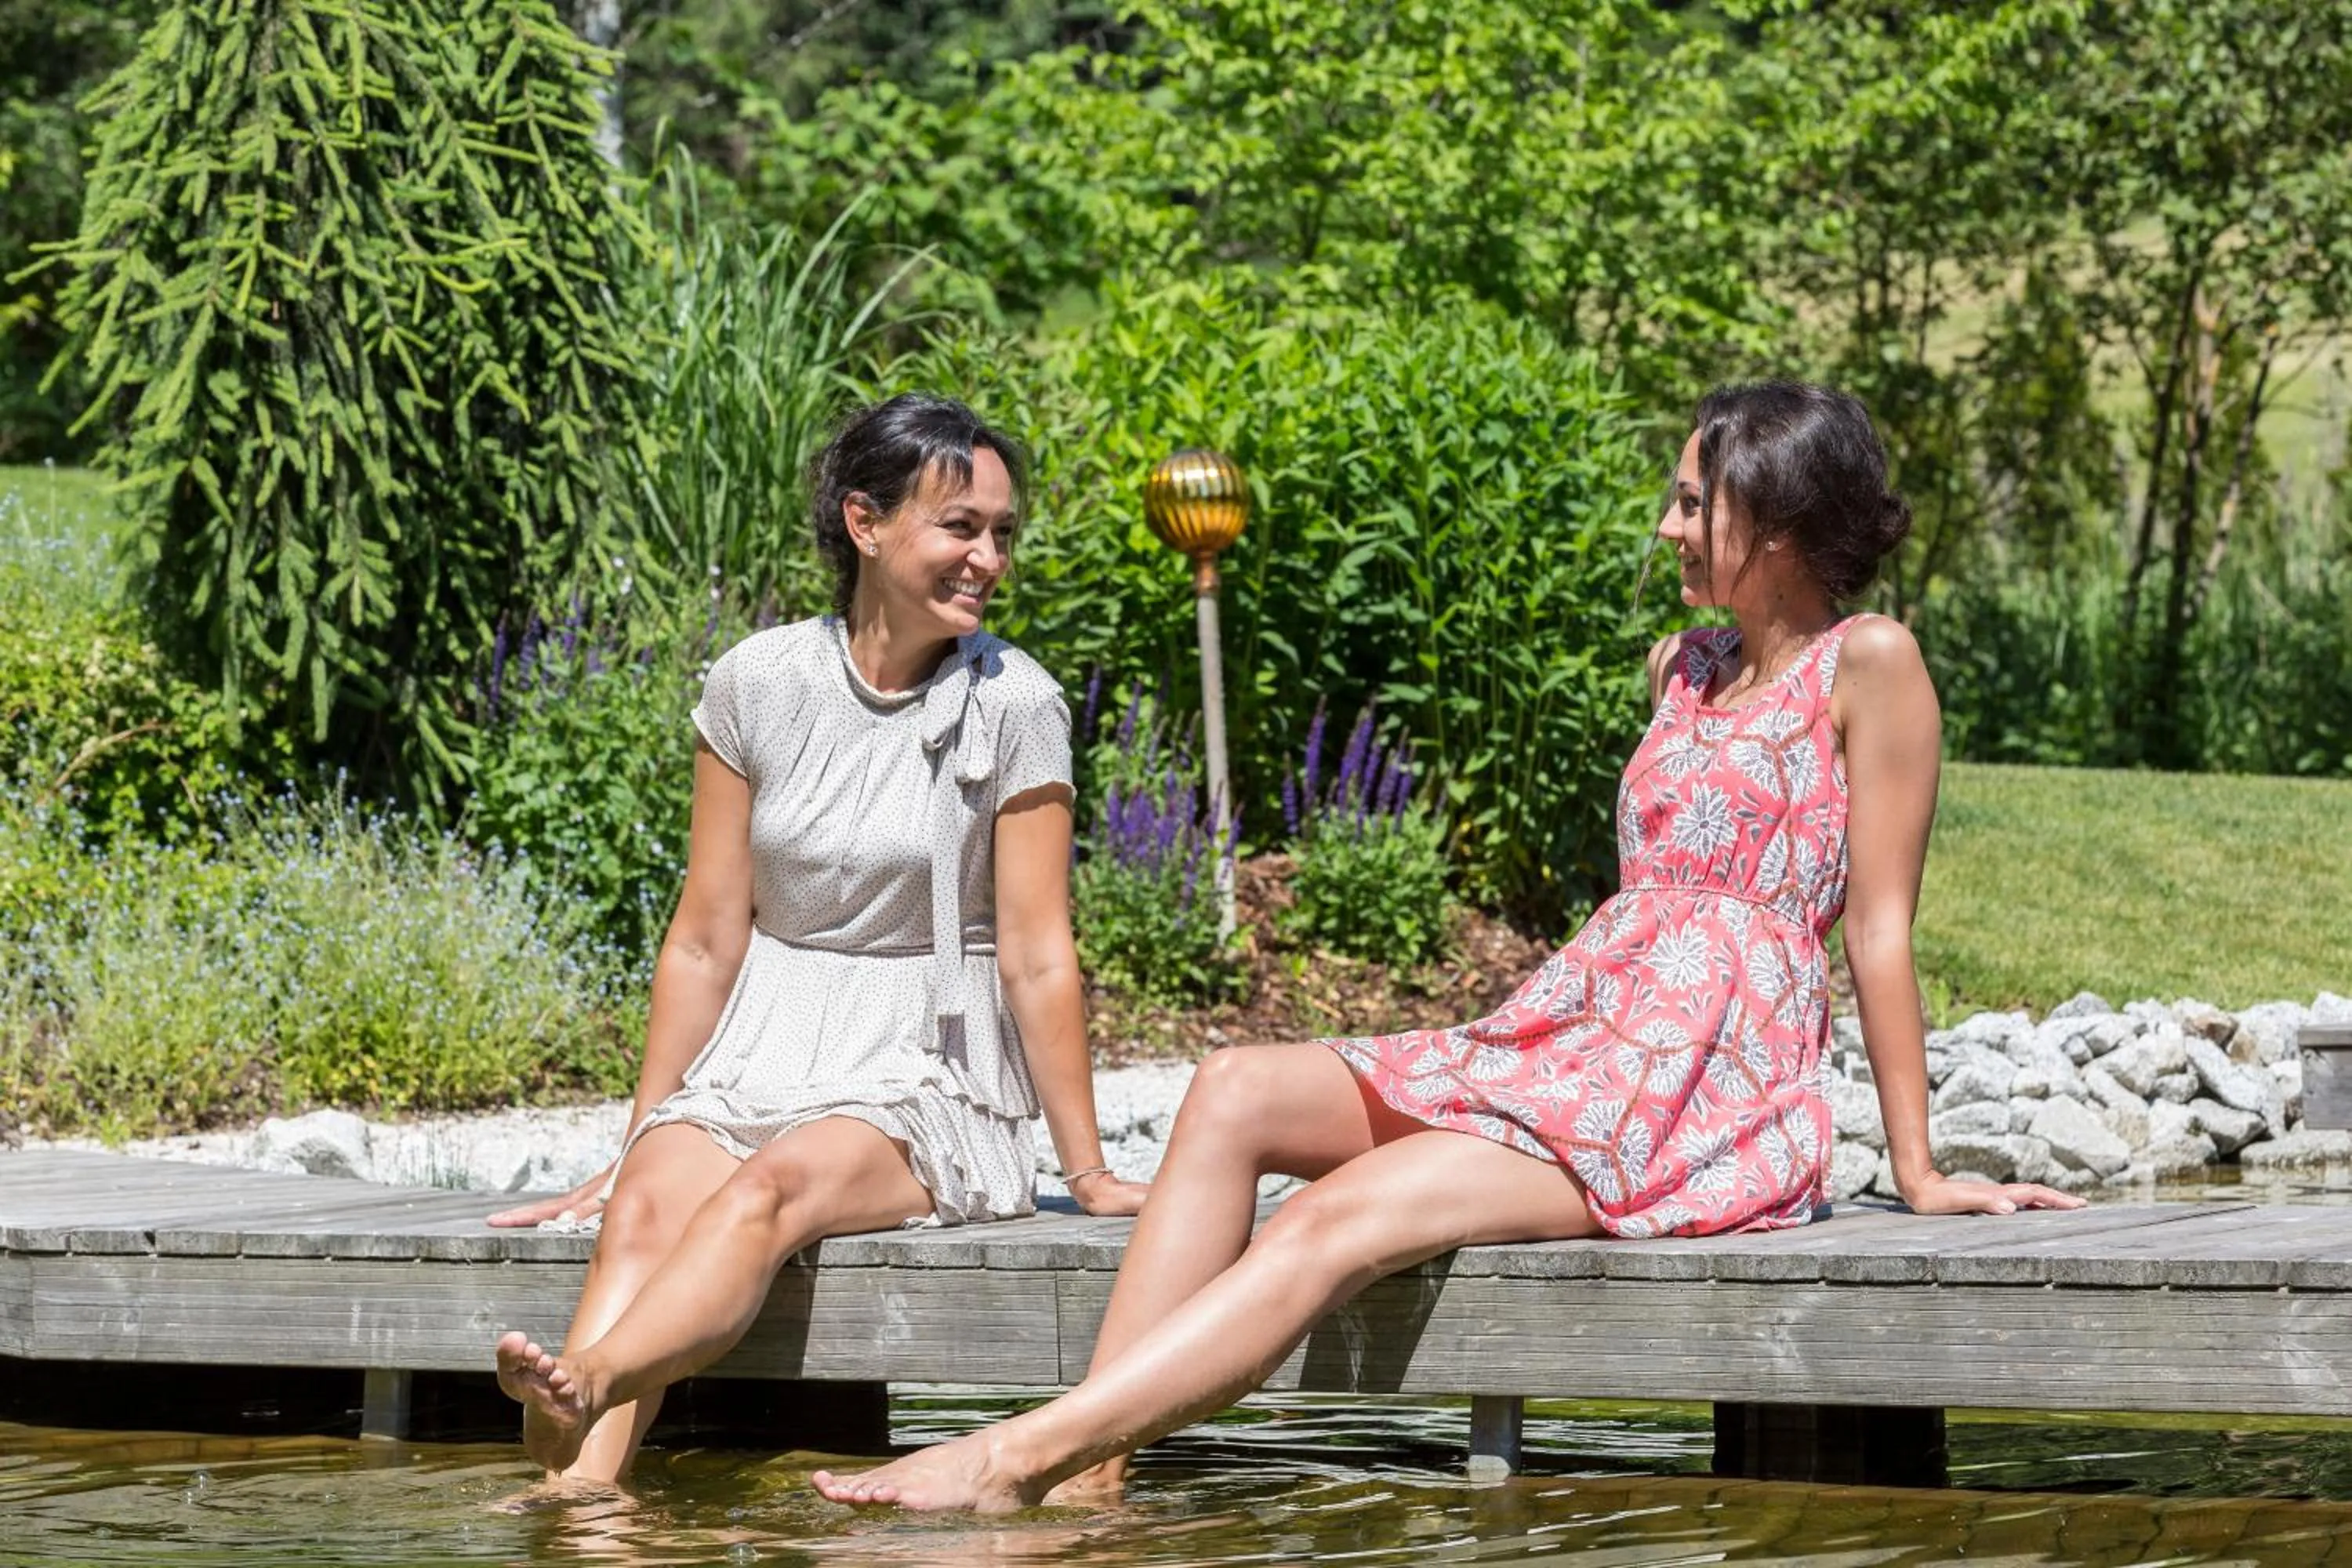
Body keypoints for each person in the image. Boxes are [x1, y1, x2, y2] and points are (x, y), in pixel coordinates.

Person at [809, 379, 2087, 1514]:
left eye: (1696, 504)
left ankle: (1017, 1460)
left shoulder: (1871, 663)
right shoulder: (1682, 666)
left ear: (1784, 517)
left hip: (1702, 1092)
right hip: (1580, 1037)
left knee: (1344, 1212)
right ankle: (1092, 1480)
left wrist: (1916, 1169)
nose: (1669, 527)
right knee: (1237, 1087)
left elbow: (1877, 925)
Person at [490, 392, 1149, 1486]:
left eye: (1002, 534)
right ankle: (589, 1516)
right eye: (961, 526)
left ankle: (591, 1380)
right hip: (763, 1045)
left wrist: (1085, 1169)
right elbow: (706, 936)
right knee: (652, 1200)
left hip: (927, 1066)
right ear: (866, 523)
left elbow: (1038, 953)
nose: (988, 557)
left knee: (767, 1193)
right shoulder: (757, 681)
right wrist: (641, 1136)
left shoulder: (1017, 705)